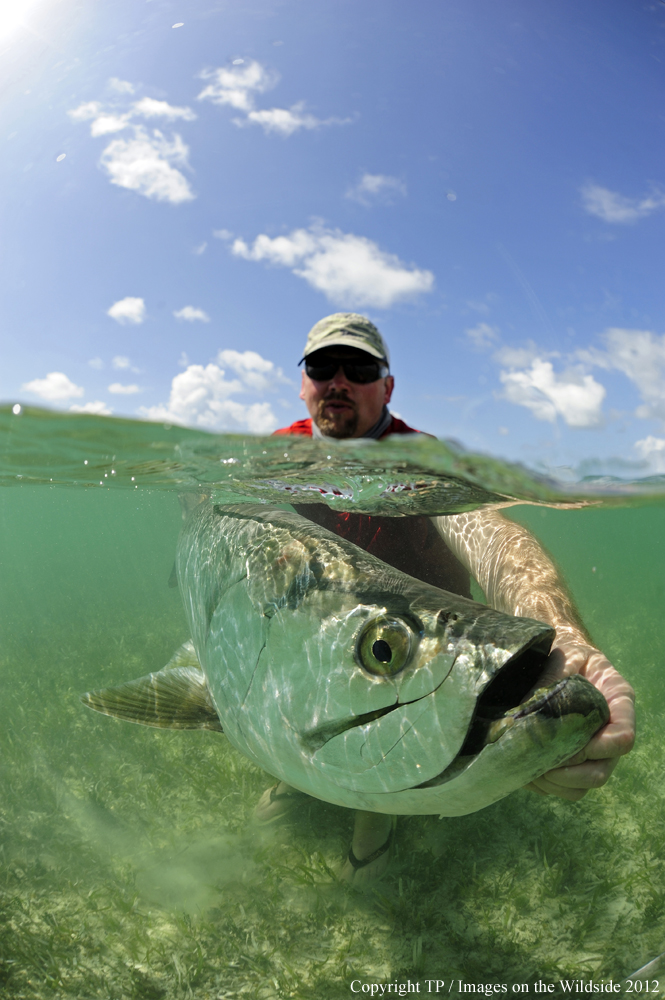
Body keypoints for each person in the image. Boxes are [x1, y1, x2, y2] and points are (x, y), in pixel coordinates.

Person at [255, 312, 636, 886]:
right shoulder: (276, 456)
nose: (338, 380)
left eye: (358, 367)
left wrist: (561, 633)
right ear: (302, 380)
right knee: (316, 681)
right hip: (339, 630)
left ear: (387, 386)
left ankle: (372, 820)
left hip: (425, 645)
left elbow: (493, 537)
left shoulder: (421, 460)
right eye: (321, 366)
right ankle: (298, 768)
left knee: (390, 714)